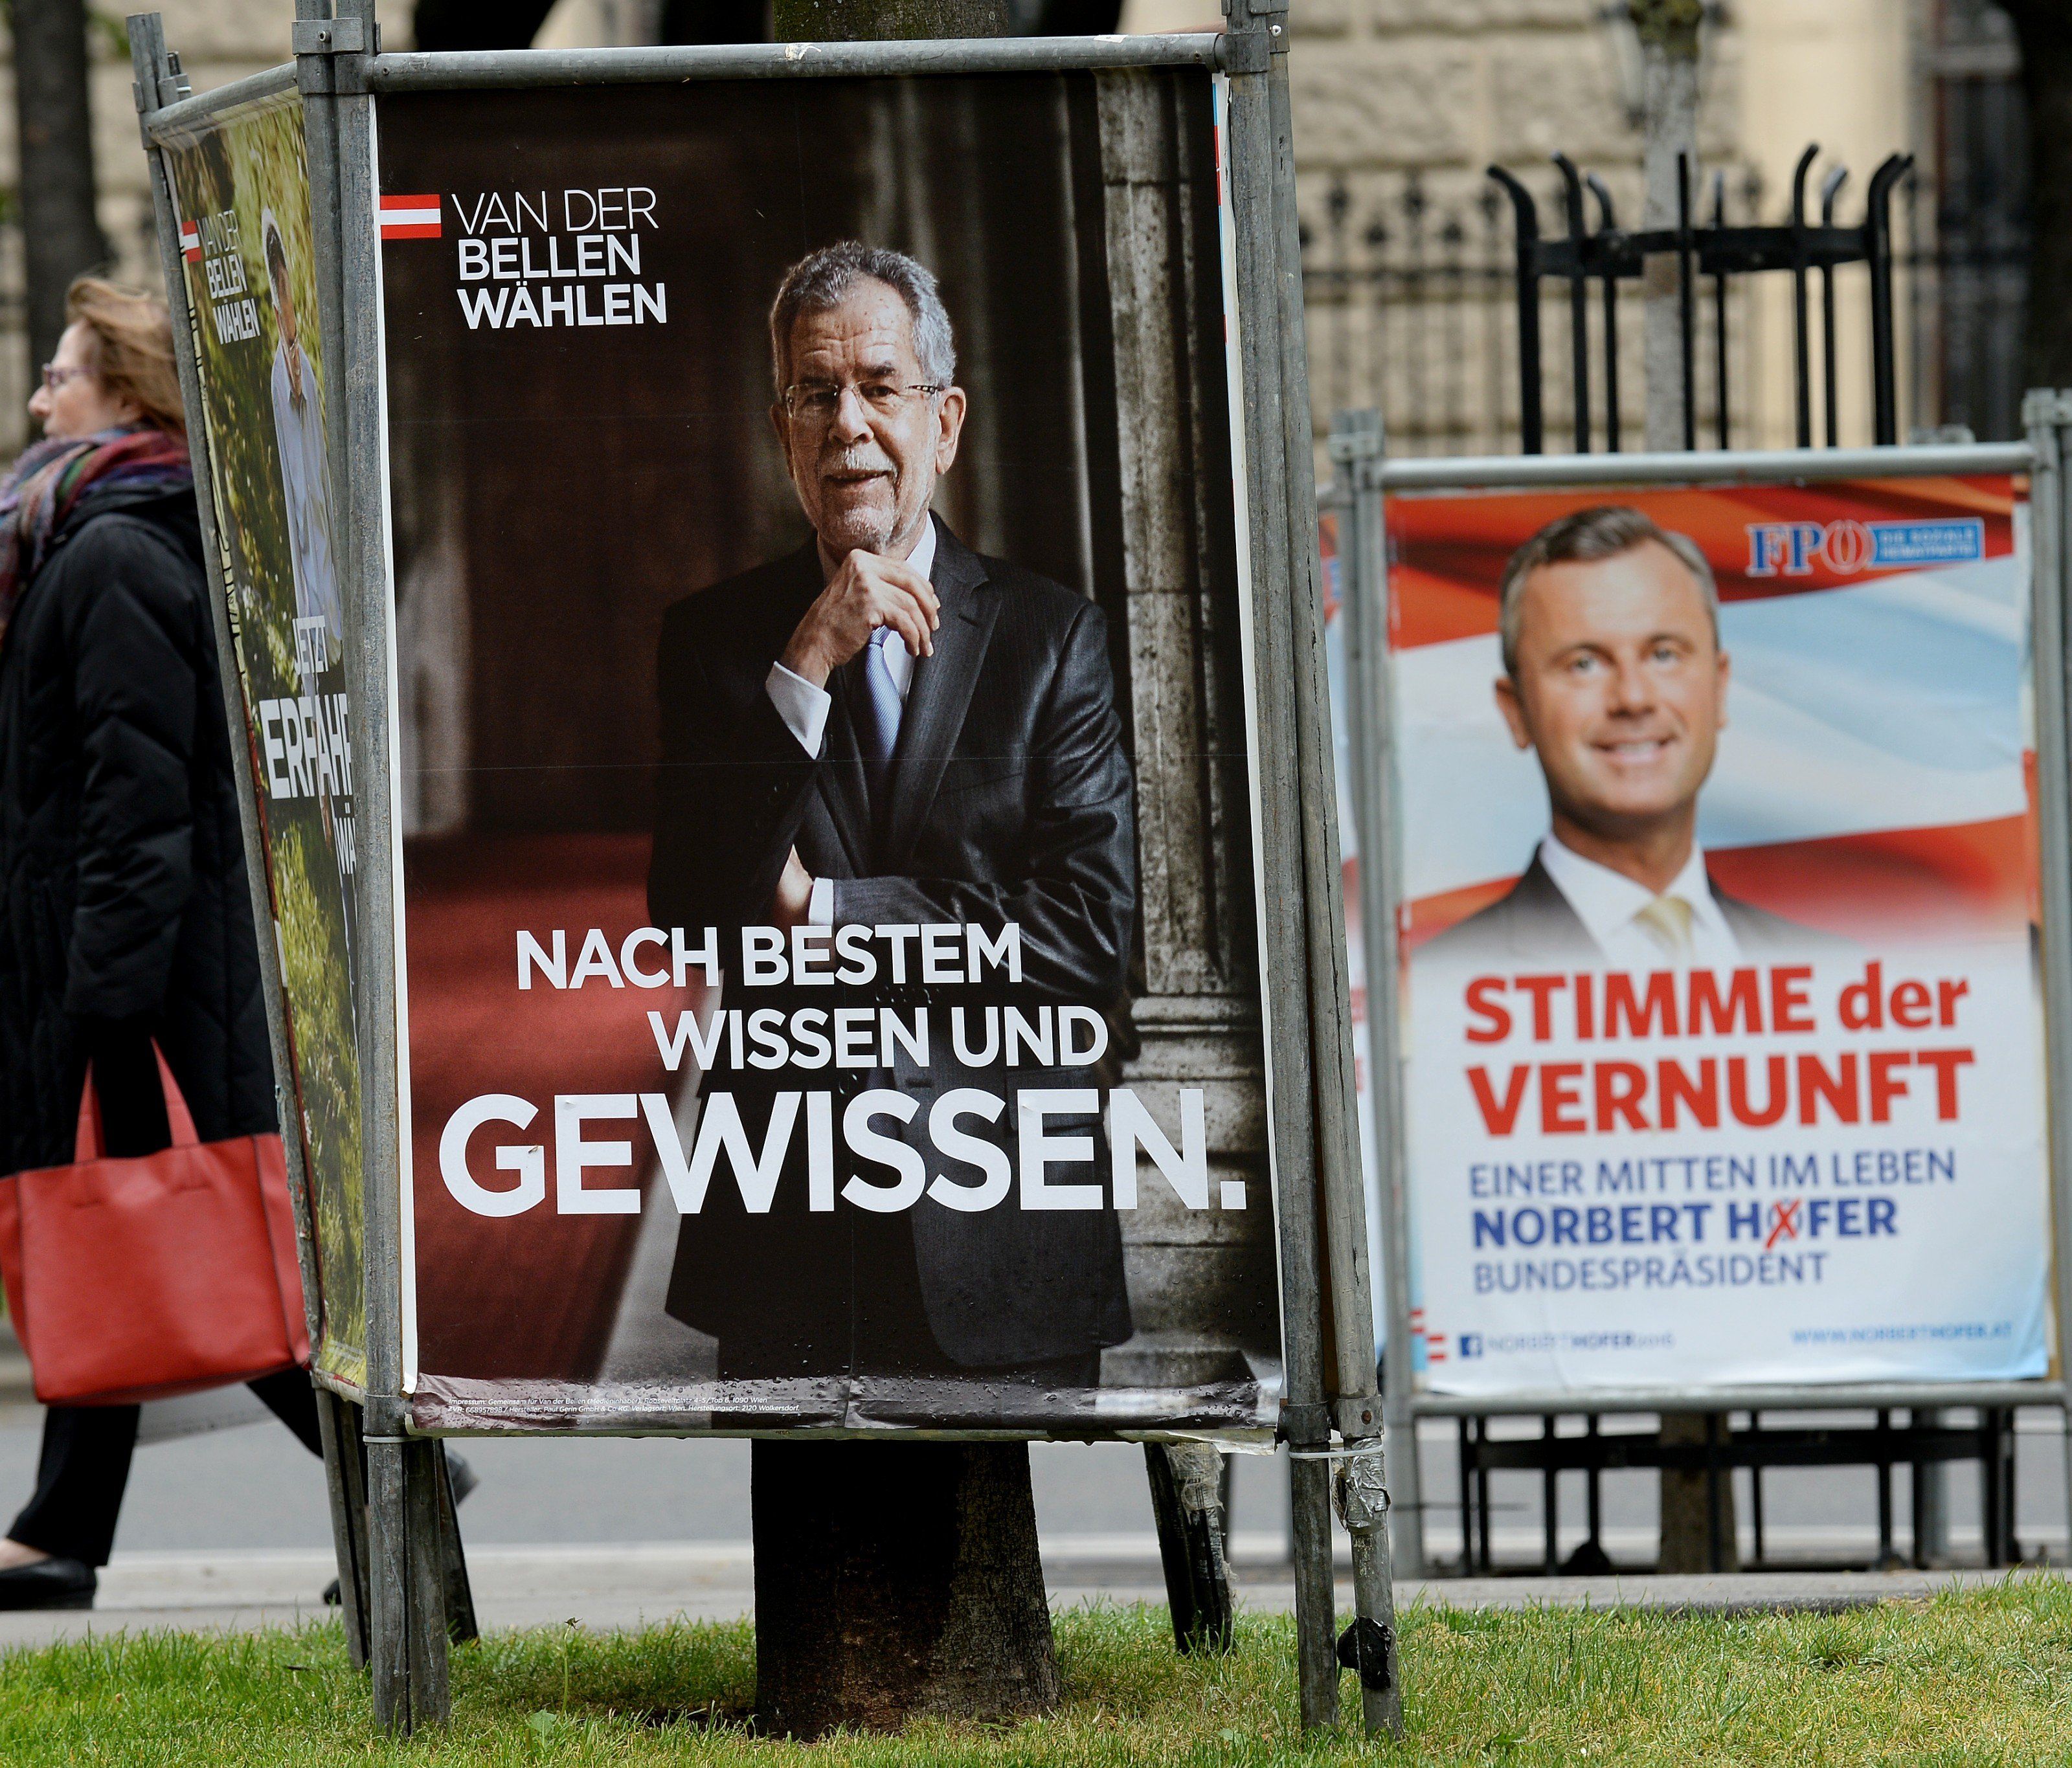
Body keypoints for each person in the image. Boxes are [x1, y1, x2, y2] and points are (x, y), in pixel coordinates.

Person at [648, 242, 1137, 1400]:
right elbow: (693, 911)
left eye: (880, 386)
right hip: (788, 1227)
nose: (848, 424)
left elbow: (1089, 937)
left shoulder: (1050, 638)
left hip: (999, 1218)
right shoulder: (718, 642)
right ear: (782, 431)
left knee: (991, 1580)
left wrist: (823, 910)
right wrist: (805, 663)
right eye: (816, 395)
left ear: (946, 421)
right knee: (816, 1579)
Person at [0, 278, 324, 1609]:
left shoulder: (116, 556)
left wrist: (105, 1004)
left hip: (136, 980)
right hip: (121, 969)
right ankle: (59, 1527)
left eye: (62, 377)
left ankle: (398, 1493)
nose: (38, 398)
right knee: (127, 1243)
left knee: (193, 1251)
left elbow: (138, 805)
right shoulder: (102, 537)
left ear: (125, 398)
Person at [1428, 504, 1812, 967]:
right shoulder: (1441, 985)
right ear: (1516, 711)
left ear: (1720, 687)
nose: (1632, 698)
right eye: (1584, 663)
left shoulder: (1837, 975)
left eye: (1664, 654)